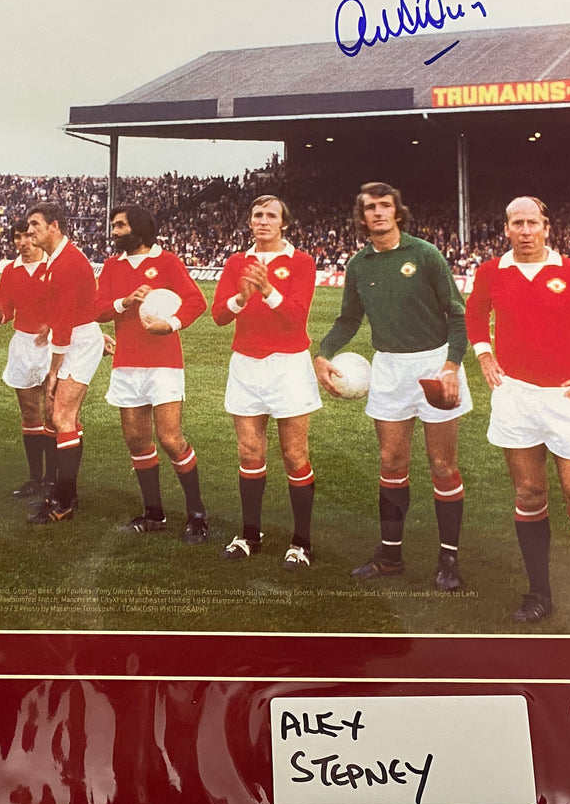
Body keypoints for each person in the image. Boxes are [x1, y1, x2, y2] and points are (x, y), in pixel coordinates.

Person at [465, 196, 570, 634]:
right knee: (530, 494)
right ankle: (539, 596)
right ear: (506, 228)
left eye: (532, 222)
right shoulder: (491, 272)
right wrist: (484, 355)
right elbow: (475, 314)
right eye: (517, 223)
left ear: (546, 226)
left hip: (567, 398)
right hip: (515, 397)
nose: (525, 230)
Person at [314, 181, 472, 592]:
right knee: (391, 462)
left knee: (442, 465)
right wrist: (323, 353)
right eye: (371, 207)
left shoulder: (424, 254)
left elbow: (458, 316)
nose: (379, 212)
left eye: (386, 206)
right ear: (362, 217)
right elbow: (348, 320)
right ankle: (389, 557)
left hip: (435, 364)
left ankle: (449, 560)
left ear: (397, 212)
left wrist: (452, 366)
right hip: (388, 369)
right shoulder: (359, 265)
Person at [211, 195, 321, 568]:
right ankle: (250, 535)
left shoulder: (301, 262)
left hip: (288, 365)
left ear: (284, 223)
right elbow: (218, 317)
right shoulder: (236, 262)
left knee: (294, 454)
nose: (262, 221)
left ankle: (301, 542)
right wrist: (242, 297)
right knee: (249, 452)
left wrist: (268, 289)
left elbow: (296, 318)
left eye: (271, 215)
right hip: (246, 364)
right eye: (257, 215)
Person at [94, 203, 210, 543]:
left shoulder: (167, 261)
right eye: (113, 226)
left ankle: (197, 515)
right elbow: (97, 308)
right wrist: (125, 302)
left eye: (119, 226)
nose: (113, 232)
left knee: (171, 438)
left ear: (138, 229)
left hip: (163, 363)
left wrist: (170, 324)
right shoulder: (112, 266)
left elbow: (195, 301)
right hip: (126, 363)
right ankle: (154, 513)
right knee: (136, 440)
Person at [25, 201, 104, 525]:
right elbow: (65, 312)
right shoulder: (57, 260)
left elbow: (67, 321)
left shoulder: (67, 262)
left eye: (35, 225)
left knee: (61, 415)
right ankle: (64, 492)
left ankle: (63, 501)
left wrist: (54, 371)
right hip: (76, 337)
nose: (30, 232)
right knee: (58, 415)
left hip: (78, 342)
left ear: (54, 226)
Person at [0, 220, 54, 498]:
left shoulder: (53, 265)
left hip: (52, 344)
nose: (23, 241)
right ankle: (35, 478)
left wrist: (53, 324)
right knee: (30, 413)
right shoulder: (11, 270)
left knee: (53, 412)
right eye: (17, 237)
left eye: (28, 236)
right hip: (23, 344)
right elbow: (5, 308)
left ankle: (53, 479)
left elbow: (72, 304)